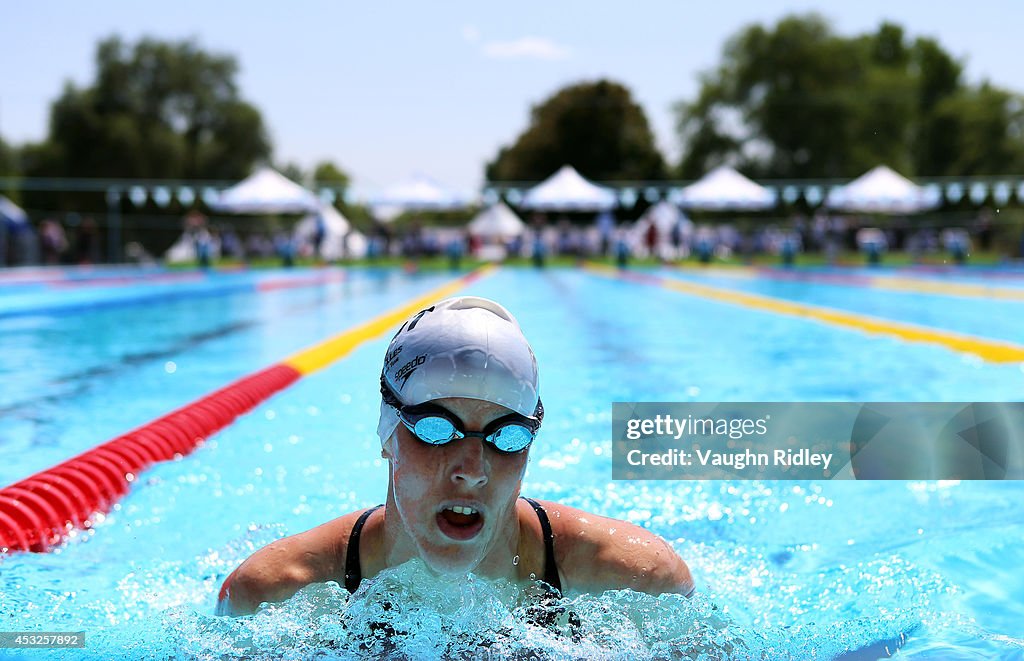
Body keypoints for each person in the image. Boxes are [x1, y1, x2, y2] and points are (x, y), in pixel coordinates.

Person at [217, 297, 694, 616]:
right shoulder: (275, 592)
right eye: (435, 430)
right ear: (388, 432)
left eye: (505, 437)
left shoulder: (638, 581)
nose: (472, 471)